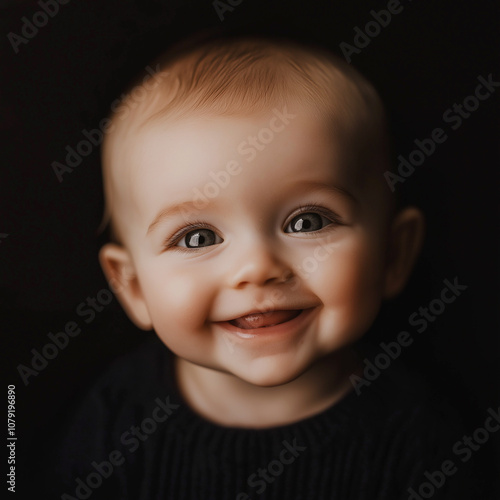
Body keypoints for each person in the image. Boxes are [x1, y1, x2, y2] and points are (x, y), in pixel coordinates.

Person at [54, 35, 473, 499]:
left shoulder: (417, 437)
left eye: (307, 221)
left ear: (393, 254)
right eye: (198, 237)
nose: (258, 268)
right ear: (132, 287)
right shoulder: (116, 417)